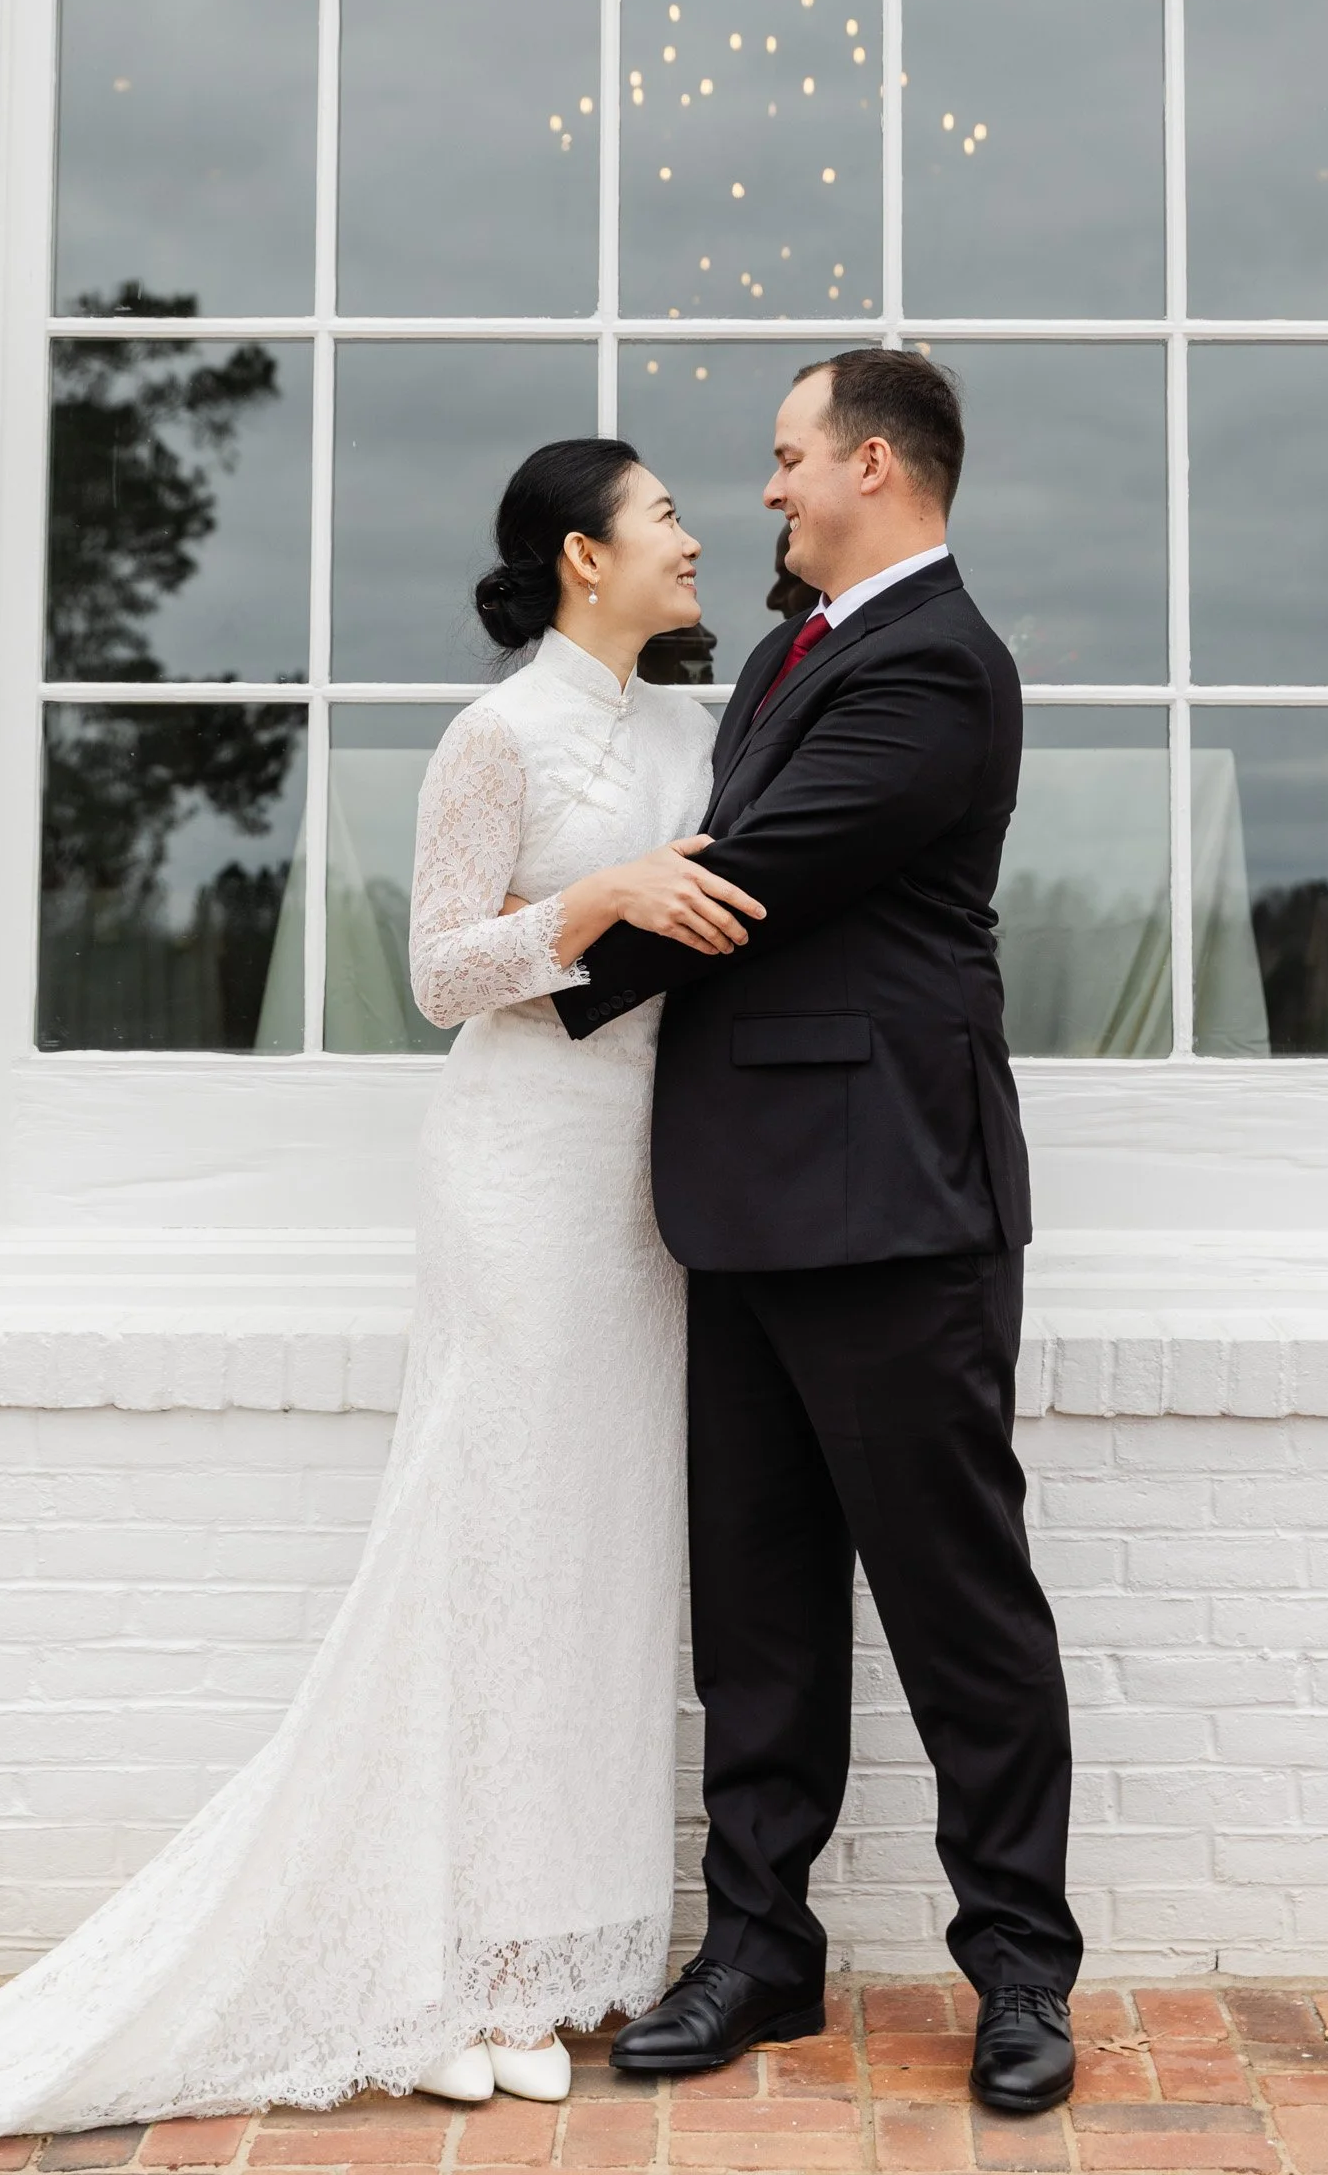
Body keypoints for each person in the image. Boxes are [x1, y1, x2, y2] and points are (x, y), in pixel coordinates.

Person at [0, 441, 760, 2173]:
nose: (696, 536)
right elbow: (441, 973)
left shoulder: (703, 728)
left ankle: (536, 1959)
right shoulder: (494, 738)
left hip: (645, 1191)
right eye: (665, 514)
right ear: (582, 557)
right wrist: (596, 896)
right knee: (490, 1552)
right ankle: (439, 1967)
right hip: (519, 1179)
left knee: (598, 1555)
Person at [557, 350, 1083, 2119]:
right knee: (760, 1611)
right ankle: (760, 1950)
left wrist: (540, 953)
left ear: (875, 461)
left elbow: (758, 867)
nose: (765, 491)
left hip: (893, 1203)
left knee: (958, 1604)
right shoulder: (790, 645)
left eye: (786, 459)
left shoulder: (937, 662)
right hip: (743, 1198)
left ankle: (1020, 1969)